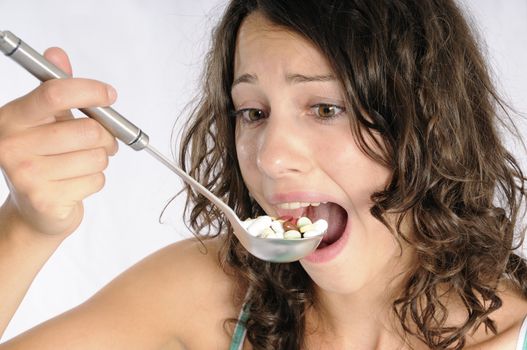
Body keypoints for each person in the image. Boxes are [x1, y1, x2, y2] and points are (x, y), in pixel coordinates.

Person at [0, 0, 526, 349]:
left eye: (325, 108)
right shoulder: (209, 292)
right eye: (252, 112)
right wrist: (24, 229)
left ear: (430, 123)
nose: (271, 158)